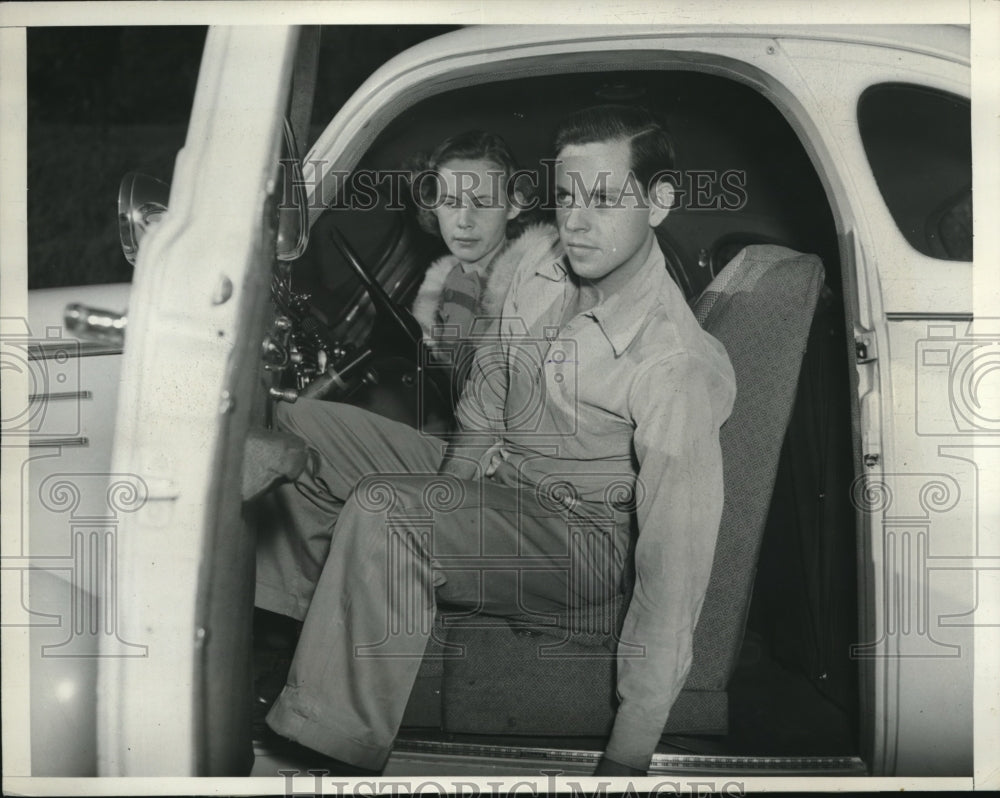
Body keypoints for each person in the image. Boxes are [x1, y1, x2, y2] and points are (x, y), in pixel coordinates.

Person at [251, 104, 736, 776]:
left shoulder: (671, 364)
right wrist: (450, 492)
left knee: (388, 508)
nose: (577, 220)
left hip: (586, 540)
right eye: (566, 196)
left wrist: (630, 749)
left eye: (604, 198)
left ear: (659, 202)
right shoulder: (540, 270)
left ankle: (325, 752)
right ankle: (301, 636)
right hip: (509, 478)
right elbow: (483, 407)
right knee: (299, 426)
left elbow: (674, 566)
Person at [408, 130, 558, 405]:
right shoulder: (446, 281)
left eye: (483, 203)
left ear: (513, 205)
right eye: (451, 203)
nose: (464, 220)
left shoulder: (534, 286)